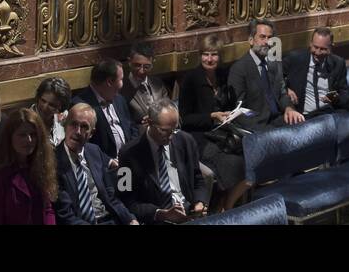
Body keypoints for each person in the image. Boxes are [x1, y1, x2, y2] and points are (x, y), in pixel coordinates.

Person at [177, 33, 248, 211]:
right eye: (206, 54)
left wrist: (234, 113)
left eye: (214, 54)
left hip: (222, 133)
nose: (209, 59)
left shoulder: (223, 76)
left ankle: (227, 204)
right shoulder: (191, 79)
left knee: (249, 153)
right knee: (232, 162)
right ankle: (222, 207)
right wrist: (212, 116)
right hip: (200, 137)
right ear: (200, 55)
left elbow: (230, 104)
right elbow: (185, 119)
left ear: (220, 56)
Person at [117, 99, 207, 223]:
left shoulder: (186, 141)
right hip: (157, 219)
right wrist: (160, 214)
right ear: (149, 122)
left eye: (174, 130)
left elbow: (198, 179)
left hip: (189, 213)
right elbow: (126, 200)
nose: (170, 137)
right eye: (164, 131)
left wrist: (199, 202)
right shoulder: (126, 154)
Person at [54, 104, 137, 225]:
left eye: (84, 127)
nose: (77, 131)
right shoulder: (54, 161)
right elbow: (65, 215)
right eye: (73, 124)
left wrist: (130, 219)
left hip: (109, 219)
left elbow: (110, 197)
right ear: (65, 125)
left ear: (91, 133)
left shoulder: (94, 151)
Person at [0, 108, 58, 225]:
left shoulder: (41, 166)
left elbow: (48, 210)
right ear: (10, 137)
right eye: (22, 135)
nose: (29, 140)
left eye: (33, 135)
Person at [229, 18, 301, 129]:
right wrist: (259, 122)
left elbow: (282, 93)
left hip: (279, 119)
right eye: (262, 37)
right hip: (257, 125)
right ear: (251, 40)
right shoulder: (239, 69)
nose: (267, 42)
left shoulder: (274, 63)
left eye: (270, 38)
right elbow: (239, 109)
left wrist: (289, 108)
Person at [72, 58, 139, 162]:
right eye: (121, 79)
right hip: (106, 168)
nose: (122, 84)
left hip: (130, 160)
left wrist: (133, 150)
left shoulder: (119, 99)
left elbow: (132, 127)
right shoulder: (80, 106)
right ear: (109, 82)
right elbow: (84, 146)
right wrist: (109, 162)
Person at [284, 27, 349, 117]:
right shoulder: (295, 58)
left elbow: (344, 94)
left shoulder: (338, 63)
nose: (318, 52)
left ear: (331, 47)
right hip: (304, 116)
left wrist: (334, 98)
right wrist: (286, 89)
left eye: (323, 49)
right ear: (310, 44)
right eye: (315, 47)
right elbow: (275, 76)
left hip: (329, 113)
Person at [122, 42, 172, 125]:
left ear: (152, 65)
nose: (141, 71)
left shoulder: (157, 84)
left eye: (146, 67)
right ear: (129, 62)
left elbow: (169, 109)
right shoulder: (121, 90)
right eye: (137, 65)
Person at [32, 76, 72, 148]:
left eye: (51, 105)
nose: (45, 107)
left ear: (60, 107)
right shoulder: (26, 121)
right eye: (43, 101)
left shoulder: (64, 118)